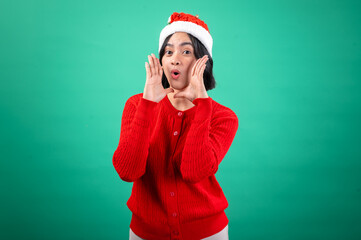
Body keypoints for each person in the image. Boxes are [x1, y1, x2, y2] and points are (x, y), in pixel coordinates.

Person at [112, 12, 239, 240]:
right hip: (145, 233)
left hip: (208, 233)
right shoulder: (136, 105)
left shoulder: (223, 117)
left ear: (203, 61)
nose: (175, 58)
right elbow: (127, 171)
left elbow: (194, 172)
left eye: (186, 51)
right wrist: (148, 104)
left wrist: (201, 104)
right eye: (168, 51)